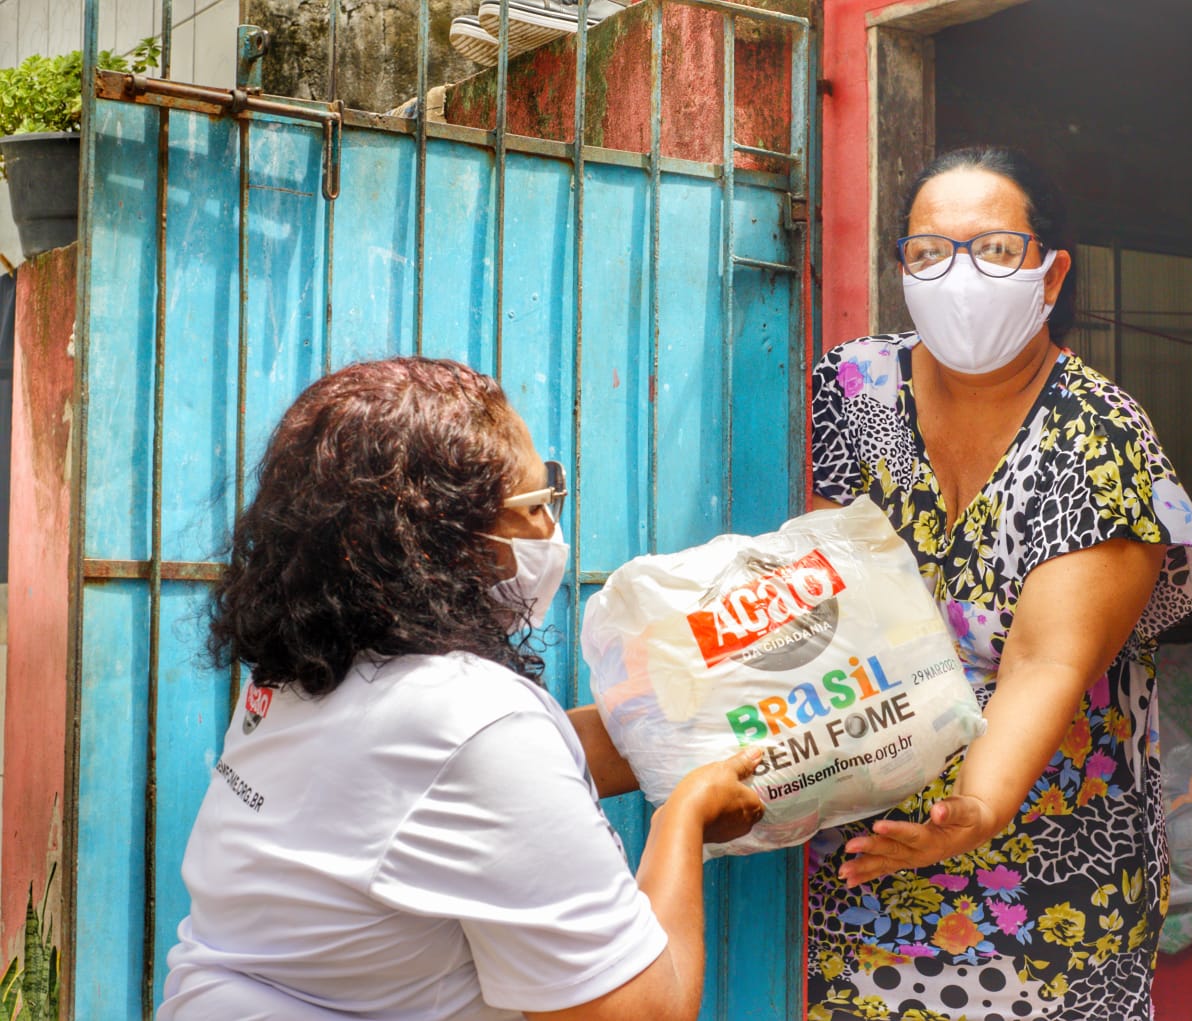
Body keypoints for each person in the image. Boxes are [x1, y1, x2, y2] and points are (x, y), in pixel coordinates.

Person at [157, 357, 763, 1021]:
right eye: (533, 507)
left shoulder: (303, 670)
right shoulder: (474, 722)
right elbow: (643, 1011)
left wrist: (684, 716)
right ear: (434, 544)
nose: (547, 531)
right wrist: (686, 815)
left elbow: (442, 783)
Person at [803, 147, 1192, 1020]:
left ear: (1050, 270)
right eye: (928, 253)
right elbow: (815, 588)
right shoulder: (856, 389)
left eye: (994, 250)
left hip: (1049, 877)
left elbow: (1041, 663)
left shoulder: (1094, 435)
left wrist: (976, 809)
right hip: (864, 861)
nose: (959, 277)